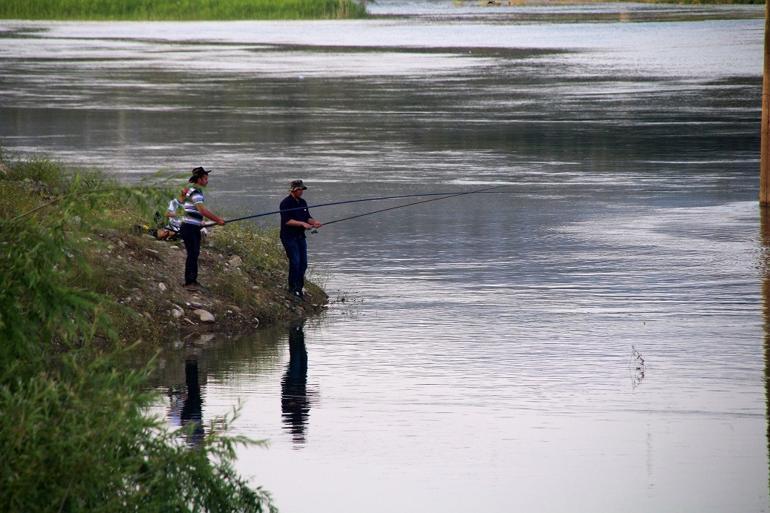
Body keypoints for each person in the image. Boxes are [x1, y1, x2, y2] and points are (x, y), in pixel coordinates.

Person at [180, 167, 225, 291]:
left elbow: (185, 205)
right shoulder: (196, 192)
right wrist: (218, 220)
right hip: (189, 228)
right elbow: (202, 210)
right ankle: (190, 282)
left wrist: (199, 221)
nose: (207, 181)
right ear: (199, 179)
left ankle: (191, 281)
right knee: (193, 254)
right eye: (205, 179)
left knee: (193, 254)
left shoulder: (190, 189)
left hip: (191, 226)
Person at [279, 179, 321, 299]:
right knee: (295, 262)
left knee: (303, 264)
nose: (301, 191)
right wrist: (302, 224)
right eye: (299, 189)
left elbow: (307, 217)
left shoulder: (303, 202)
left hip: (300, 237)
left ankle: (299, 288)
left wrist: (314, 222)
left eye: (302, 189)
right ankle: (292, 289)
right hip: (288, 237)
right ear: (293, 190)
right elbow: (288, 221)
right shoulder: (285, 203)